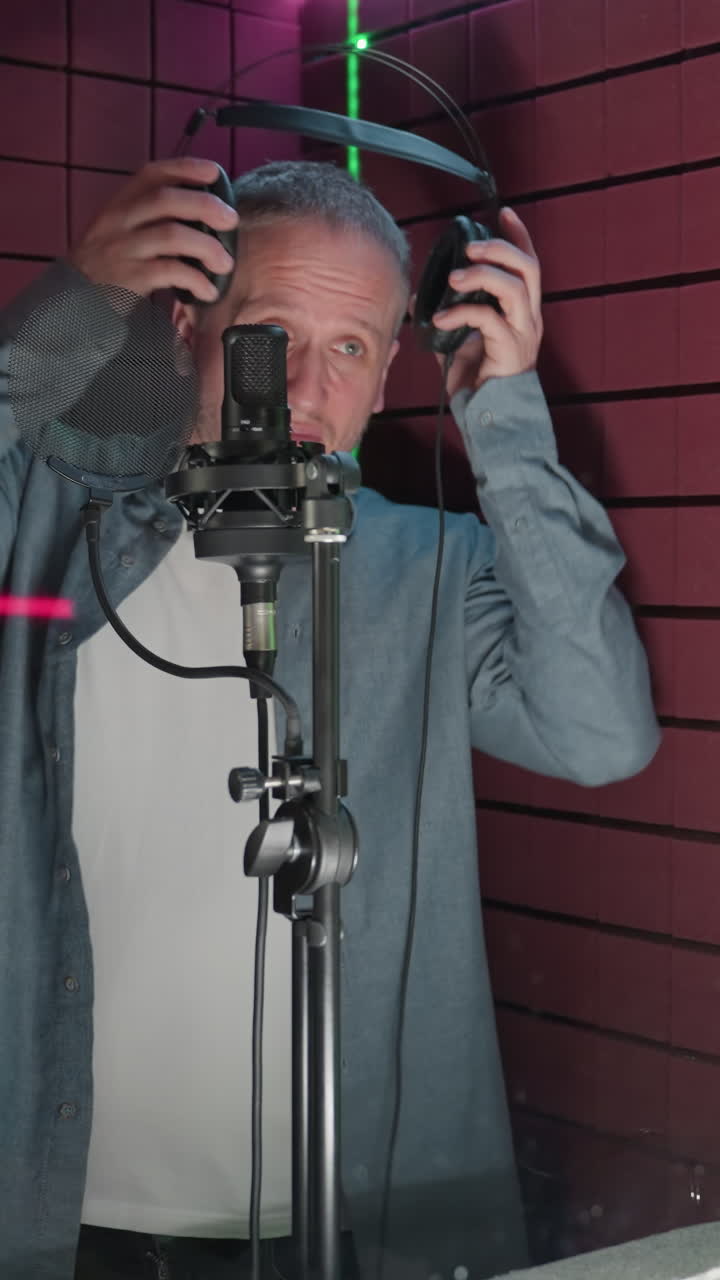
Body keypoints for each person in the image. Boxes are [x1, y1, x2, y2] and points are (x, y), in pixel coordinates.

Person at [0, 155, 660, 1280]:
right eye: (269, 338)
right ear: (184, 330)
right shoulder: (54, 530)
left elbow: (603, 732)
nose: (303, 390)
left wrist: (503, 416)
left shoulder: (425, 571)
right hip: (62, 1219)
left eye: (348, 348)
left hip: (360, 1227)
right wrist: (70, 312)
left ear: (391, 369)